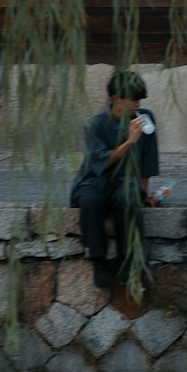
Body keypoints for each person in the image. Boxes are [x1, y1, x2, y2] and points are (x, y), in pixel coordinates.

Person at [69, 70, 165, 292]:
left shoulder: (145, 119)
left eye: (139, 100)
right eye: (132, 99)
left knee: (128, 198)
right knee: (90, 202)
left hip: (126, 180)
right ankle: (98, 259)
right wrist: (130, 141)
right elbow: (101, 162)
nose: (137, 105)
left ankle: (128, 258)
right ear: (115, 98)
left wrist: (143, 195)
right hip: (95, 179)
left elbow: (147, 163)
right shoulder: (95, 124)